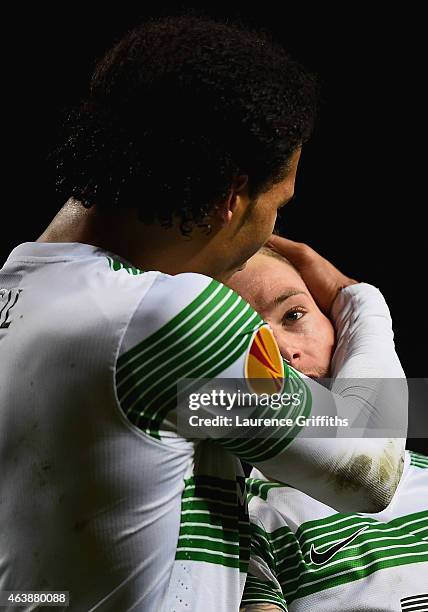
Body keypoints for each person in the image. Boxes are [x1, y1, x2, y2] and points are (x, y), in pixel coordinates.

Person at [0, 16, 406, 611]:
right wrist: (358, 298)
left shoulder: (17, 292)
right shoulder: (163, 315)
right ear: (230, 198)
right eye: (279, 202)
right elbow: (369, 467)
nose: (274, 226)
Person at [226, 247, 428, 611]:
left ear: (335, 321)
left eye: (294, 314)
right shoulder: (242, 521)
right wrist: (359, 298)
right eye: (246, 342)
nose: (283, 352)